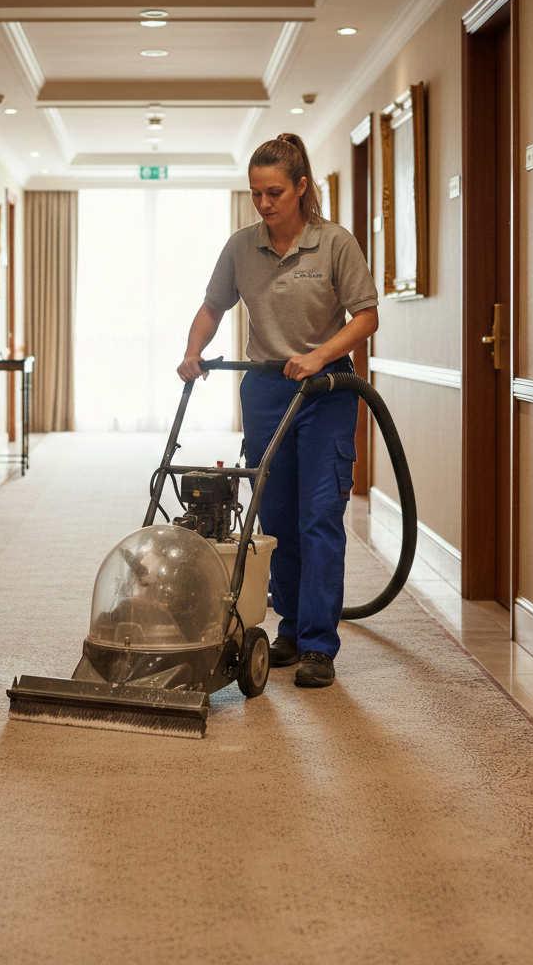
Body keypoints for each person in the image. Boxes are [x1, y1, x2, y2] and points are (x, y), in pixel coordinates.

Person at [177, 133, 378, 688]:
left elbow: (365, 317)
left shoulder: (335, 243)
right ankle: (288, 628)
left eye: (274, 192)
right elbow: (212, 307)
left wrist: (318, 356)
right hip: (267, 392)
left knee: (318, 516)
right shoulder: (241, 247)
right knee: (278, 516)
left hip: (327, 394)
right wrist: (193, 353)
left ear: (301, 187)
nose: (264, 204)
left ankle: (318, 644)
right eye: (255, 194)